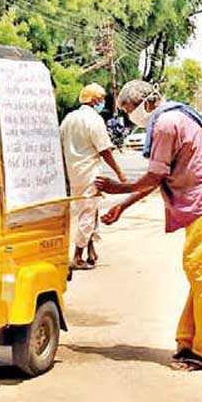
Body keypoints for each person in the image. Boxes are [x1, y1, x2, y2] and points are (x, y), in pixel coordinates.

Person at [95, 80, 202, 371]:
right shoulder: (176, 116)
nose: (130, 116)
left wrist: (118, 189)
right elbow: (162, 176)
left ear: (146, 104)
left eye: (129, 110)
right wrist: (122, 206)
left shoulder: (164, 124)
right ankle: (192, 343)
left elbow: (153, 177)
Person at [60, 83, 126, 269]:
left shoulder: (69, 119)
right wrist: (119, 172)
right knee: (88, 213)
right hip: (89, 172)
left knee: (89, 211)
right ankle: (77, 257)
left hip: (73, 173)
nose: (103, 103)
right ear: (96, 100)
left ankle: (90, 251)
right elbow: (104, 150)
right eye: (102, 99)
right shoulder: (94, 120)